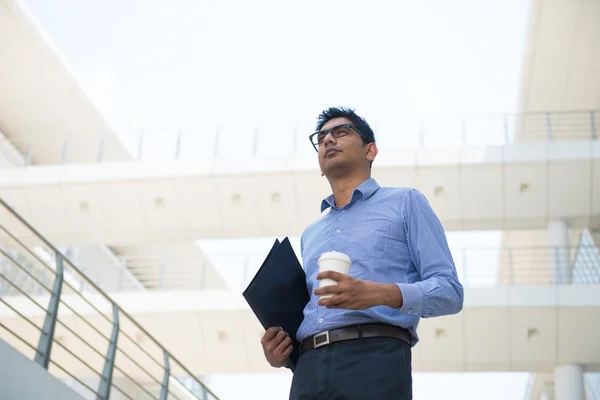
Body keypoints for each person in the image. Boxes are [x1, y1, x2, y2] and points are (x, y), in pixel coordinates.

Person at [260, 107, 464, 399]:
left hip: (375, 357)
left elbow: (450, 292)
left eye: (341, 131)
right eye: (321, 137)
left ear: (371, 150)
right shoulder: (310, 235)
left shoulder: (405, 202)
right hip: (307, 368)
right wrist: (281, 350)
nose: (328, 139)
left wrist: (380, 294)